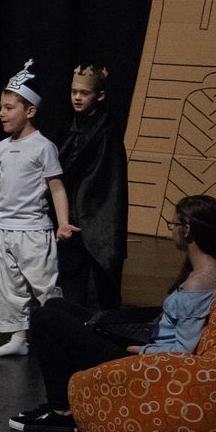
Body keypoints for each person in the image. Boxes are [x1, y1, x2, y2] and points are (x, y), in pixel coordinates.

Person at [11, 195, 216, 432]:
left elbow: (183, 352)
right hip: (150, 346)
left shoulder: (199, 283)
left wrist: (144, 351)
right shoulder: (213, 272)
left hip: (147, 367)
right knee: (56, 305)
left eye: (173, 224)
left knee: (44, 319)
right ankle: (69, 401)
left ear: (187, 229)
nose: (172, 230)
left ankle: (62, 411)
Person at [0, 60, 78, 357]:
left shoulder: (43, 147)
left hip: (32, 231)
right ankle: (18, 338)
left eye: (9, 107)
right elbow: (0, 188)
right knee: (8, 288)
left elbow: (56, 187)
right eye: (1, 107)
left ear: (30, 111)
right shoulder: (2, 146)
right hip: (2, 230)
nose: (2, 113)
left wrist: (63, 222)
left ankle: (64, 336)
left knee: (46, 288)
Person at [57, 64, 127, 310]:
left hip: (96, 207)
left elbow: (102, 171)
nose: (77, 97)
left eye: (84, 93)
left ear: (100, 95)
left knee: (102, 269)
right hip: (74, 206)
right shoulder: (74, 121)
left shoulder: (104, 127)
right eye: (74, 91)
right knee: (72, 273)